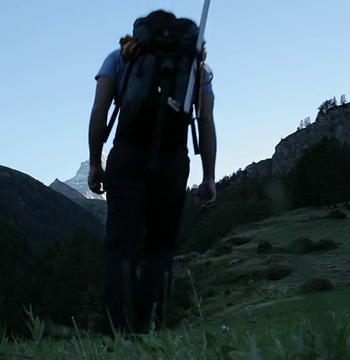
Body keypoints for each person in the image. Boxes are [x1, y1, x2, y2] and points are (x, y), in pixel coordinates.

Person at [87, 9, 217, 334]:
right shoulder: (195, 67)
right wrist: (209, 177)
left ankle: (120, 332)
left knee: (121, 247)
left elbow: (100, 109)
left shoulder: (121, 57)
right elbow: (206, 121)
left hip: (127, 157)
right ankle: (150, 331)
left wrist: (95, 163)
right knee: (160, 248)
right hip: (173, 162)